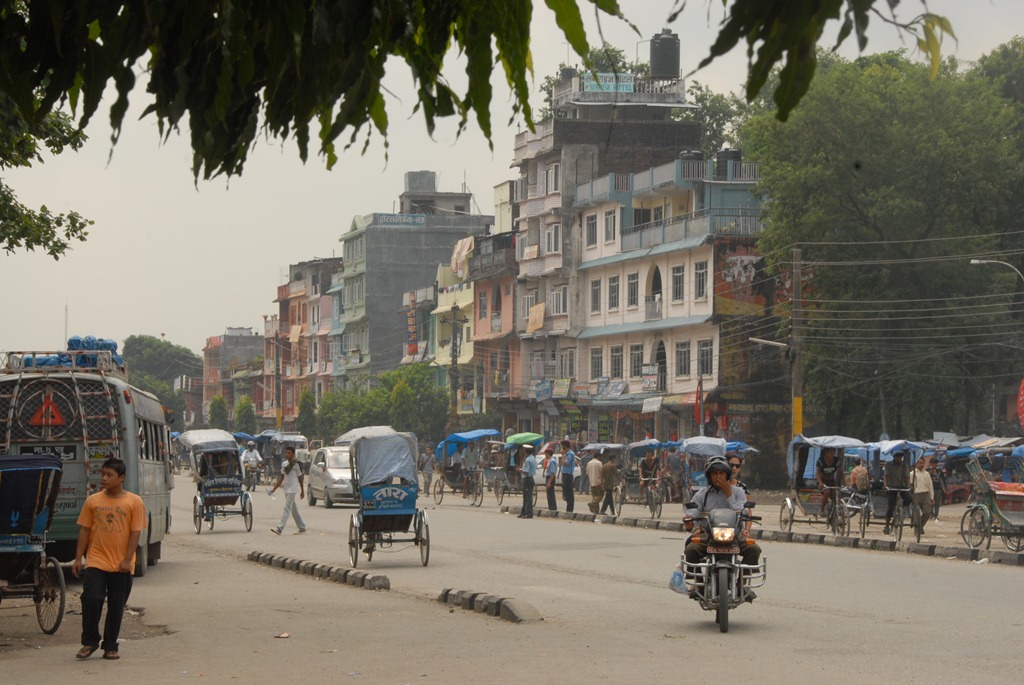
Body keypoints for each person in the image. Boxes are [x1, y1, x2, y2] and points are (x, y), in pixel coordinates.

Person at [72, 457, 146, 660]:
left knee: (116, 605)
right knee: (91, 598)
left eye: (109, 475)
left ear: (121, 478)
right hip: (96, 560)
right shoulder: (93, 501)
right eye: (102, 474)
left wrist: (127, 559)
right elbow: (85, 530)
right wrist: (78, 559)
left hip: (122, 564)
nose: (104, 478)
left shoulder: (134, 502)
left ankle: (111, 646)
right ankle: (89, 641)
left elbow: (135, 532)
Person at [683, 456, 761, 598]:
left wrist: (729, 494)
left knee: (754, 549)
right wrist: (689, 520)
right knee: (691, 549)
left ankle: (742, 585)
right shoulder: (702, 494)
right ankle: (698, 584)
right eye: (715, 473)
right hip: (709, 535)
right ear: (709, 476)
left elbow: (743, 512)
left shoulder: (738, 492)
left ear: (727, 475)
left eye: (721, 473)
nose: (718, 477)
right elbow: (693, 510)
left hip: (734, 535)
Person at [269, 445, 307, 535]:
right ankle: (302, 527)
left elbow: (300, 478)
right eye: (286, 453)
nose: (287, 454)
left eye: (289, 453)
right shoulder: (284, 464)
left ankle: (280, 528)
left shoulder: (297, 464)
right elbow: (281, 478)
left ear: (293, 454)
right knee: (294, 509)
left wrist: (302, 490)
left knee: (287, 509)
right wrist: (273, 489)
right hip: (286, 488)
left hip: (293, 489)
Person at [883, 451, 912, 535]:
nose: (899, 458)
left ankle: (901, 510)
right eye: (898, 457)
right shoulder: (888, 465)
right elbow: (886, 476)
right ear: (894, 457)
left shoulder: (904, 465)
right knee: (890, 507)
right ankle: (887, 525)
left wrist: (908, 485)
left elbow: (907, 476)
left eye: (900, 457)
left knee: (909, 499)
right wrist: (885, 485)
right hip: (891, 487)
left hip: (901, 486)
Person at [815, 447, 843, 522]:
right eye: (831, 453)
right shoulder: (820, 461)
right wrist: (820, 483)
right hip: (822, 482)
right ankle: (821, 510)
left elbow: (840, 472)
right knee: (827, 492)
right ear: (826, 453)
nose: (832, 454)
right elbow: (817, 474)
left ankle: (838, 510)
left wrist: (845, 482)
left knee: (837, 494)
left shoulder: (836, 460)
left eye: (833, 453)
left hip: (832, 481)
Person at [910, 455, 934, 534]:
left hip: (925, 494)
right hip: (916, 494)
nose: (922, 465)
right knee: (916, 513)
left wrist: (932, 497)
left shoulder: (927, 474)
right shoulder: (912, 474)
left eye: (923, 463)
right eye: (920, 463)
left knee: (927, 512)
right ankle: (917, 529)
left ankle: (920, 526)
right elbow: (909, 485)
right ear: (916, 463)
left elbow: (930, 486)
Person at [518, 446, 537, 518]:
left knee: (527, 497)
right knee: (526, 496)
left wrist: (520, 470)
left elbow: (526, 472)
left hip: (527, 479)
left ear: (525, 451)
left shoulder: (528, 460)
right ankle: (524, 512)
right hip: (530, 479)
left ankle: (528, 513)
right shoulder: (532, 458)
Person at [560, 439, 577, 513]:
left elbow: (564, 464)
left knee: (568, 492)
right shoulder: (567, 454)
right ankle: (568, 508)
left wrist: (562, 455)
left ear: (565, 446)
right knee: (566, 491)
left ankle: (570, 509)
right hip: (565, 474)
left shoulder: (570, 454)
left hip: (568, 475)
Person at [543, 445, 559, 511]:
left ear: (548, 454)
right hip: (549, 477)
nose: (545, 455)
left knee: (551, 494)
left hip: (550, 478)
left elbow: (552, 472)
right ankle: (550, 507)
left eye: (545, 454)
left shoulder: (552, 461)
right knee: (549, 494)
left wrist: (549, 482)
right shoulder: (549, 460)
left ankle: (553, 508)